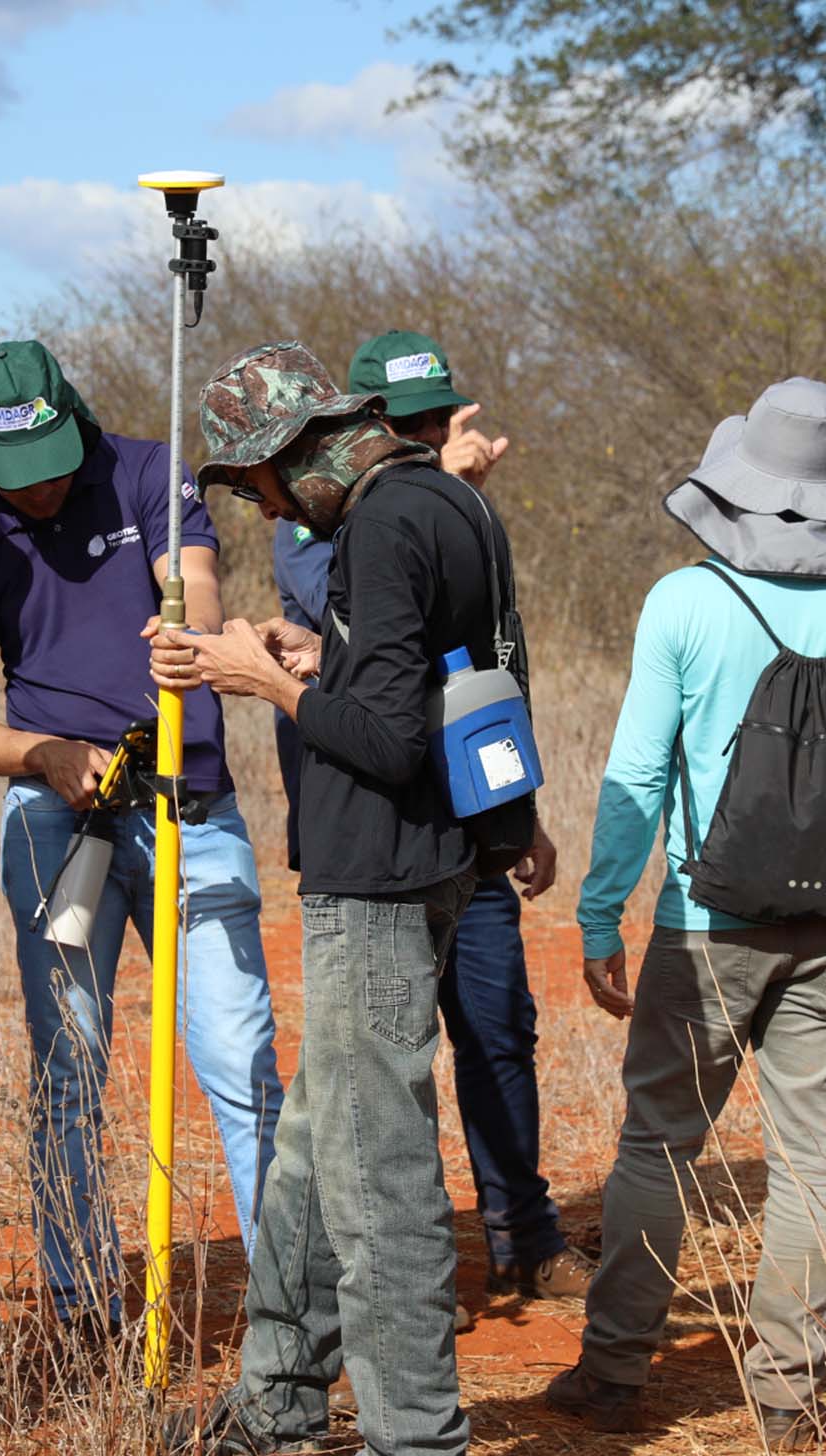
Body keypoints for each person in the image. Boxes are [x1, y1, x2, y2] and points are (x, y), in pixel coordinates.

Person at [548, 378, 826, 1451]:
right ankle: (789, 1398)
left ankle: (613, 1373)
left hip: (707, 921)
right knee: (814, 1161)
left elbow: (636, 771)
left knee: (659, 1145)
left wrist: (602, 911)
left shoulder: (687, 601)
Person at [157, 341, 528, 1456]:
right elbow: (447, 685)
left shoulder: (373, 527)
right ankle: (277, 1399)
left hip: (377, 874)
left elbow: (377, 738)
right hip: (434, 860)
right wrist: (334, 657)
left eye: (259, 484)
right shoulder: (452, 500)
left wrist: (254, 676)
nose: (264, 508)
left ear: (300, 450)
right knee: (318, 1147)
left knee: (377, 1177)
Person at [0, 338, 284, 1348]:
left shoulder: (144, 471)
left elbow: (197, 585)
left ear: (73, 422)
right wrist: (41, 755)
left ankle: (296, 1304)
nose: (41, 496)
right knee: (70, 1070)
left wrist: (188, 634)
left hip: (187, 807)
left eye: (53, 469)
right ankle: (82, 1303)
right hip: (57, 827)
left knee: (240, 1057)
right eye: (17, 480)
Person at [268, 331, 589, 1335]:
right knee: (364, 1090)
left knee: (493, 1030)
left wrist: (518, 810)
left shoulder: (437, 508)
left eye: (430, 420)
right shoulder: (320, 519)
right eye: (400, 423)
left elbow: (486, 658)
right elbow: (371, 653)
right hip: (371, 833)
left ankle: (521, 1232)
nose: (417, 437)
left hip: (455, 819)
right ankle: (398, 1291)